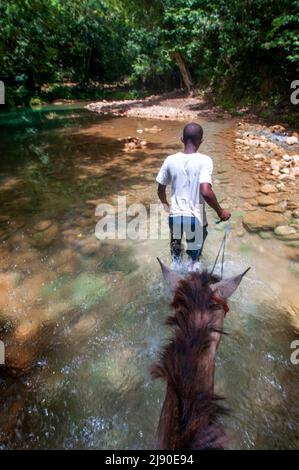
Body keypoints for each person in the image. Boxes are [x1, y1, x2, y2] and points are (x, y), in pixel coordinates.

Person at [156, 122, 231, 271]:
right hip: (195, 219)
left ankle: (174, 275)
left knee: (176, 255)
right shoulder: (205, 160)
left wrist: (166, 205)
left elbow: (160, 189)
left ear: (182, 139)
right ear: (201, 141)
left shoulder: (170, 160)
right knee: (193, 259)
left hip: (175, 217)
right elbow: (206, 191)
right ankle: (192, 279)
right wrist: (220, 211)